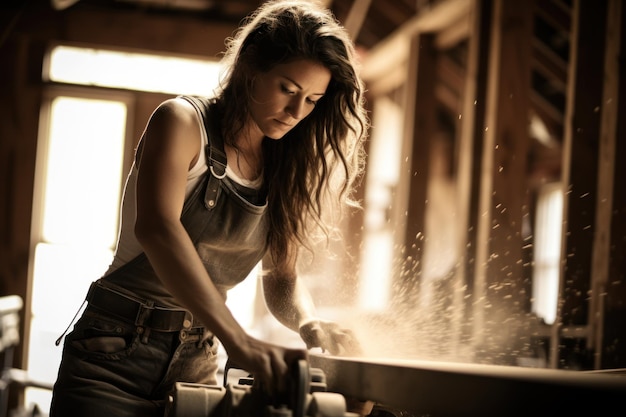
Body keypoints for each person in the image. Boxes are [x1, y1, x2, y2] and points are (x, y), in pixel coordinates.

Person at [49, 0, 369, 416]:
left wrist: (310, 324)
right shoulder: (181, 122)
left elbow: (282, 279)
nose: (296, 112)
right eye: (288, 89)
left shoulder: (283, 167)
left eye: (311, 100)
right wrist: (240, 339)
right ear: (251, 68)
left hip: (197, 361)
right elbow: (158, 230)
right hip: (113, 353)